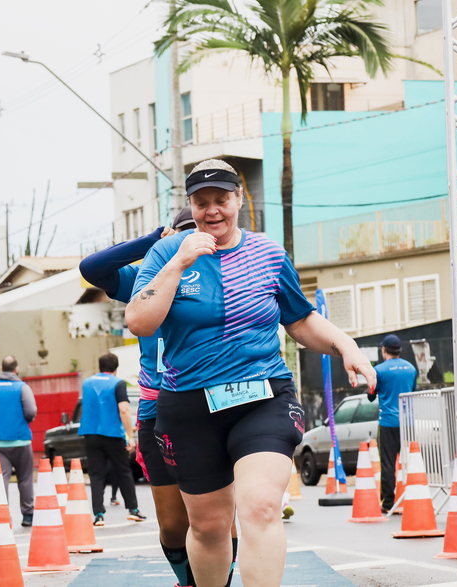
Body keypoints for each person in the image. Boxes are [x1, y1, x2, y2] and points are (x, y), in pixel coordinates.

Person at [125, 159, 377, 587]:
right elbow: (140, 321)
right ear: (191, 205)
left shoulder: (268, 253)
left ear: (239, 199)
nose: (213, 211)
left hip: (262, 396)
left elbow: (299, 320)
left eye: (221, 200)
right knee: (207, 527)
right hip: (188, 404)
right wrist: (177, 264)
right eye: (202, 203)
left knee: (260, 506)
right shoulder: (167, 253)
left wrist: (346, 346)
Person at [81, 209, 239, 587]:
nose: (195, 240)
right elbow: (92, 268)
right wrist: (153, 240)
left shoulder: (228, 275)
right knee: (172, 524)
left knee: (219, 519)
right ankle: (188, 579)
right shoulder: (146, 278)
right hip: (158, 409)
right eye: (187, 233)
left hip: (213, 404)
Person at [78, 353, 146, 525]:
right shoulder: (118, 383)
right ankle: (133, 510)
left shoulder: (87, 383)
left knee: (96, 474)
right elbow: (124, 410)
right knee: (123, 471)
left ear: (100, 366)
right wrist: (130, 436)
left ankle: (99, 514)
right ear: (116, 368)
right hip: (113, 434)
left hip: (90, 434)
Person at [0, 356, 38, 527]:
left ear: (2, 368)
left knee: (2, 480)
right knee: (25, 479)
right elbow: (31, 412)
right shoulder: (22, 388)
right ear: (16, 369)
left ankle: (3, 518)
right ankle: (28, 515)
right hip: (21, 440)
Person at [367, 334, 417, 513]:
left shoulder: (379, 370)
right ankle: (415, 497)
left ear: (384, 350)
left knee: (388, 464)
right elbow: (413, 390)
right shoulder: (411, 368)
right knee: (412, 462)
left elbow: (371, 395)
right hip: (408, 423)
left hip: (388, 422)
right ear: (400, 350)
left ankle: (388, 503)